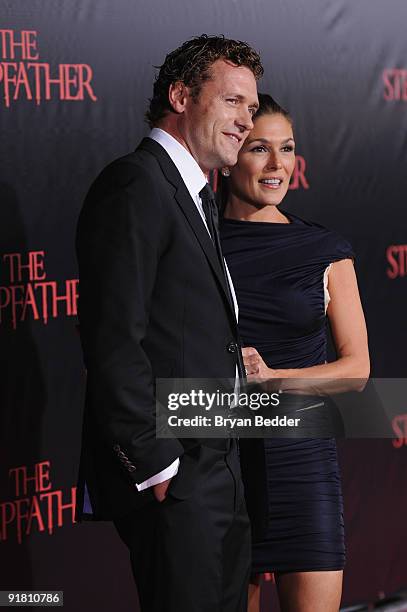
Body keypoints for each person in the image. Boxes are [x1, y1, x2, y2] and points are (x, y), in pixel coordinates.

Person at [74, 35, 262, 612]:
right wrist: (157, 465)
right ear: (181, 96)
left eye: (252, 109)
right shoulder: (136, 184)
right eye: (232, 102)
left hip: (220, 462)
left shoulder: (199, 196)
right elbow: (112, 341)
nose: (245, 122)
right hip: (178, 475)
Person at [219, 94, 370, 612]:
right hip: (221, 461)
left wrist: (275, 377)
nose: (278, 165)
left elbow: (357, 371)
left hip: (303, 460)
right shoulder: (198, 245)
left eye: (287, 149)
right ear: (230, 151)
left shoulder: (324, 249)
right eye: (260, 148)